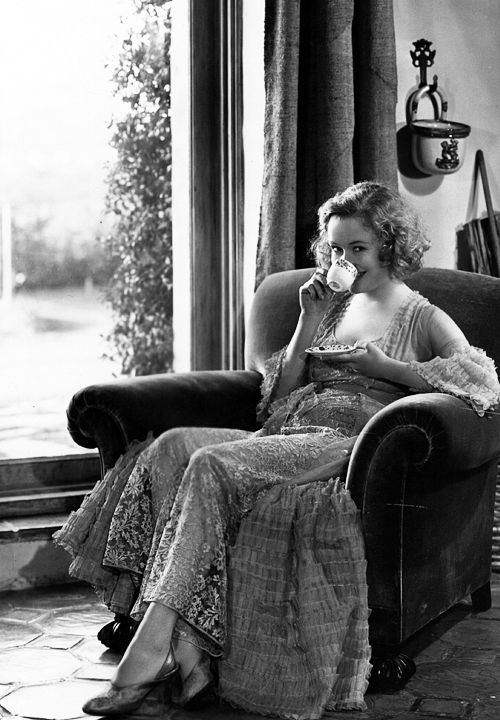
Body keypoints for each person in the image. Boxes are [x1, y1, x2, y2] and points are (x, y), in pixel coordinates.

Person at [54, 181, 500, 719]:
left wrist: (390, 370)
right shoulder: (330, 306)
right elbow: (276, 401)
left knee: (210, 463)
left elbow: (482, 382)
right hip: (286, 434)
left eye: (357, 248)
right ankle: (191, 656)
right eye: (336, 248)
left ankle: (152, 654)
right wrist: (307, 321)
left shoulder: (422, 316)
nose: (344, 259)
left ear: (389, 243)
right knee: (174, 447)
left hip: (342, 444)